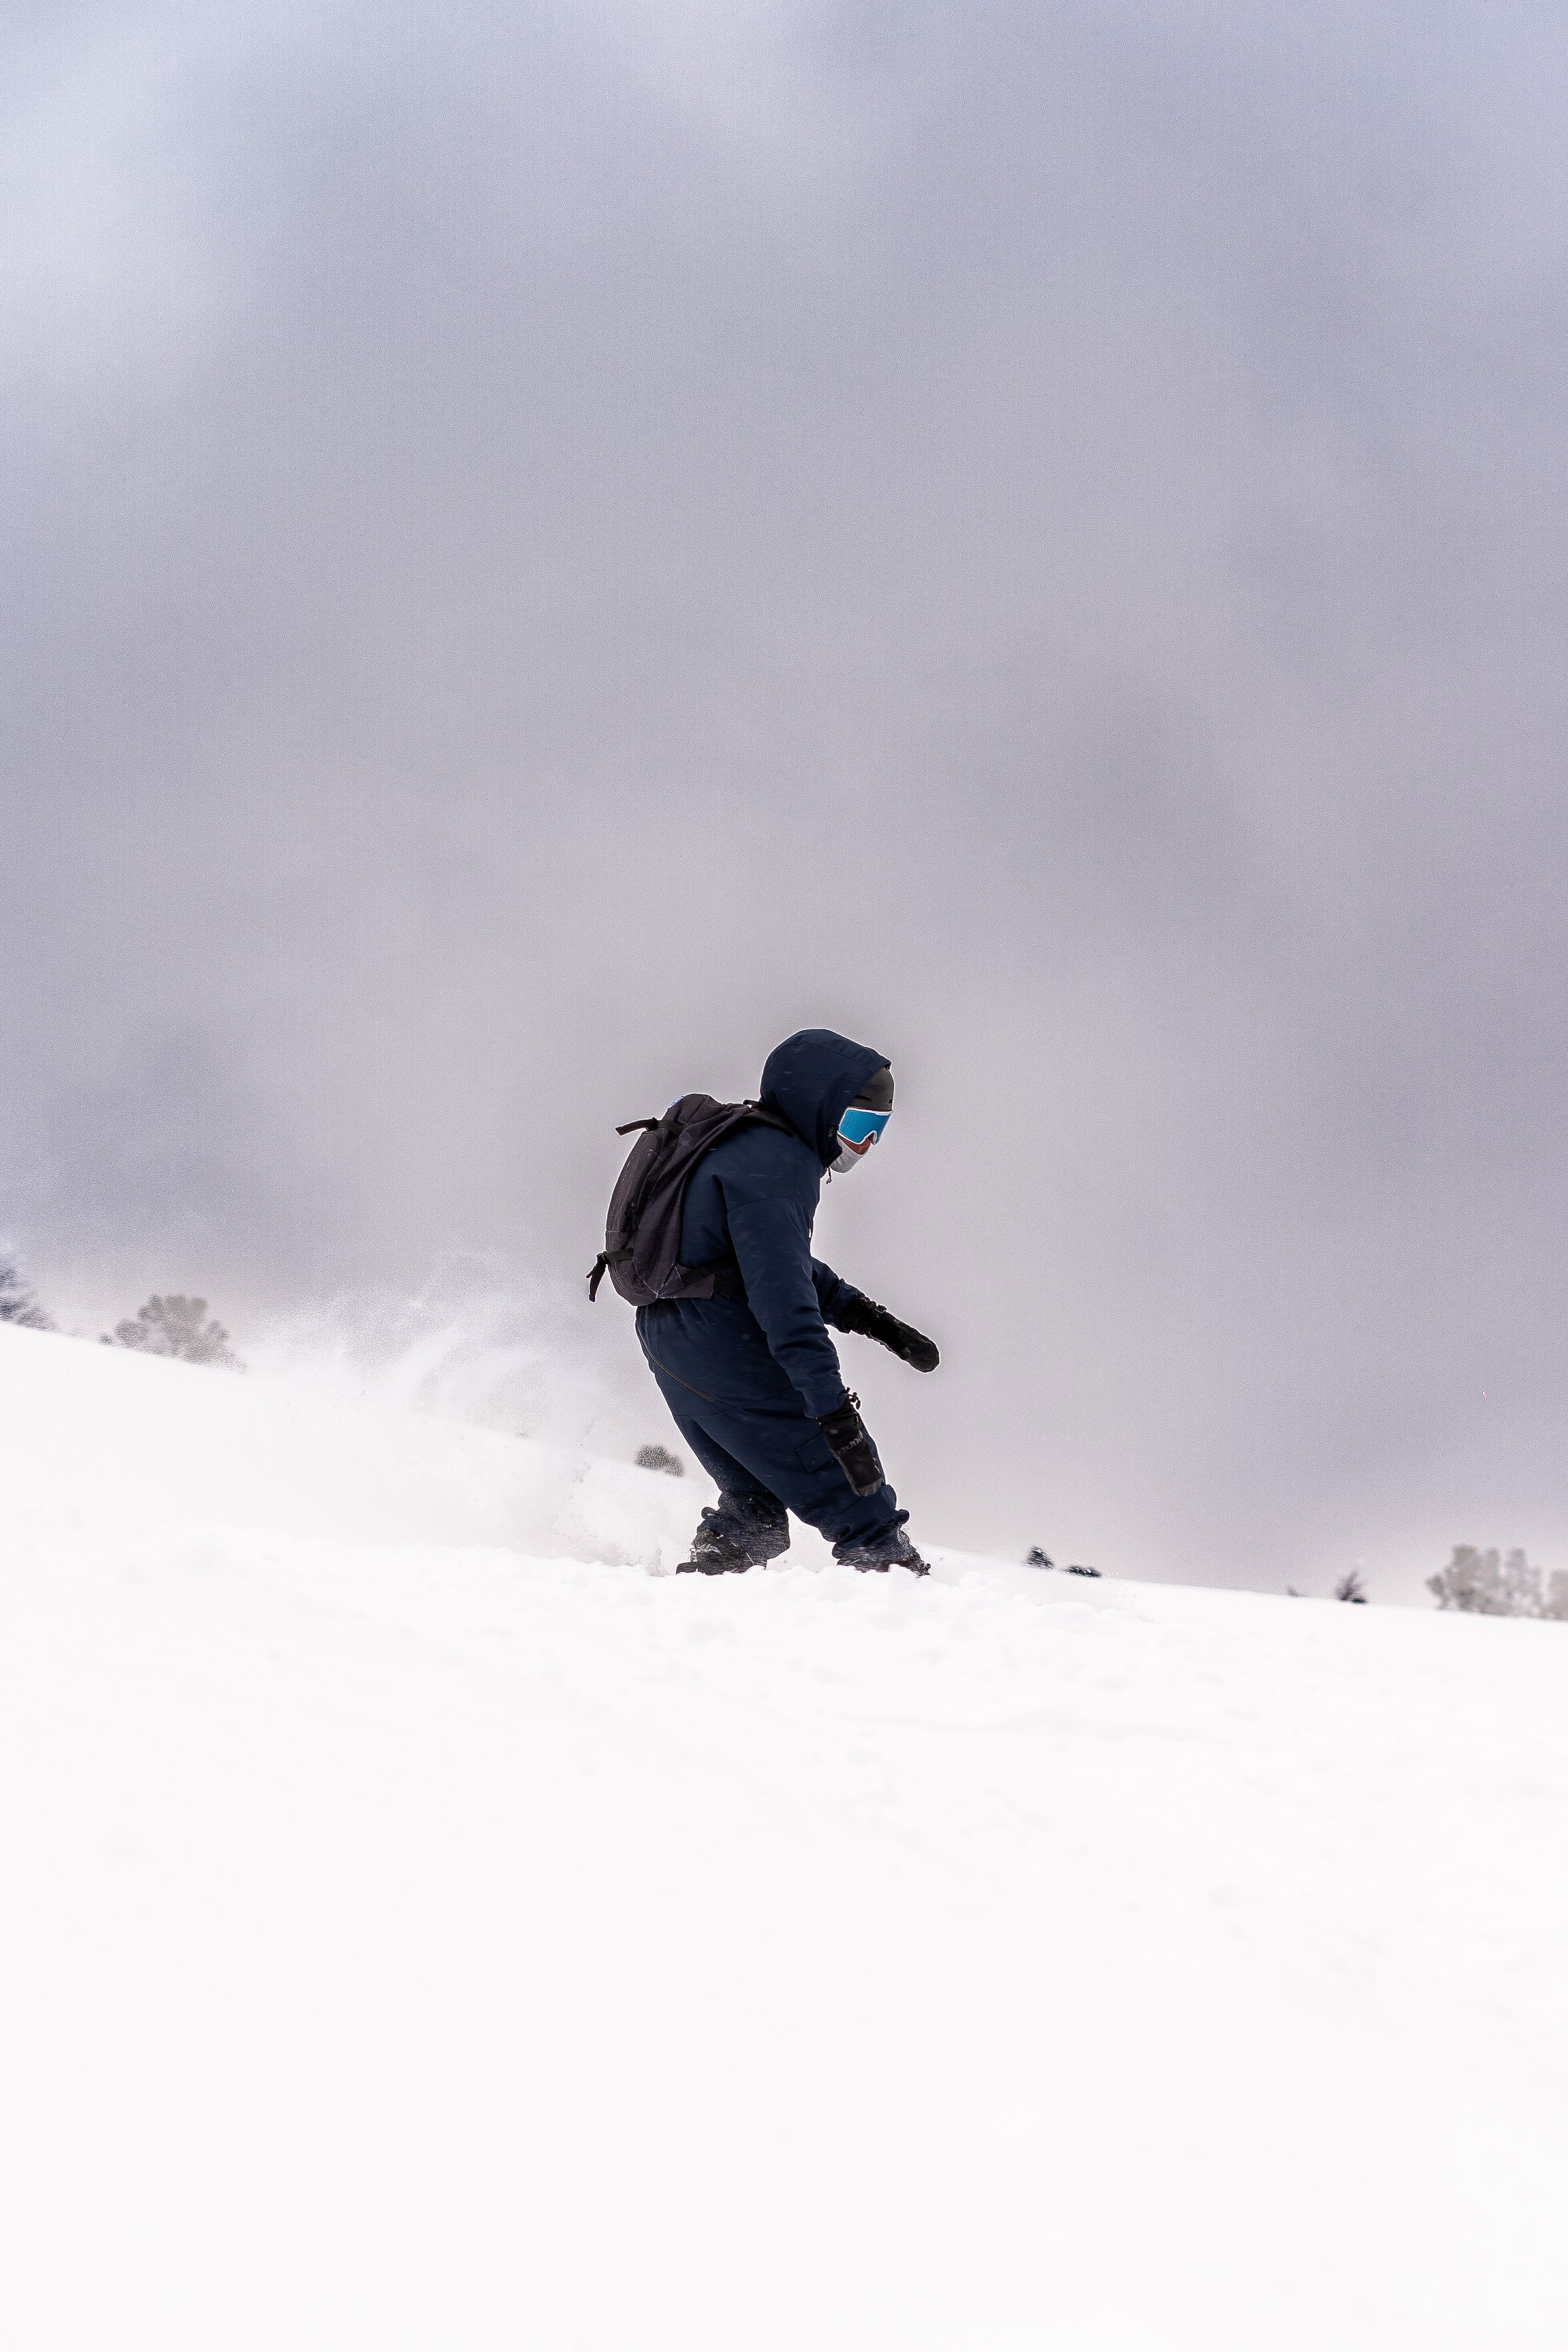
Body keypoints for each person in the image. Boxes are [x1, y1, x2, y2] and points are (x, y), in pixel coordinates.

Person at [636, 1027, 940, 1575]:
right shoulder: (779, 1164)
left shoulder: (742, 1145)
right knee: (862, 1507)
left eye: (879, 1130)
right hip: (721, 1342)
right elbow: (784, 1303)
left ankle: (696, 1602)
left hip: (670, 1342)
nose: (867, 1144)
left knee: (754, 1517)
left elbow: (761, 1264)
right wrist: (833, 1413)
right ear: (821, 1107)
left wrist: (869, 1319)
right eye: (860, 1124)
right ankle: (901, 1606)